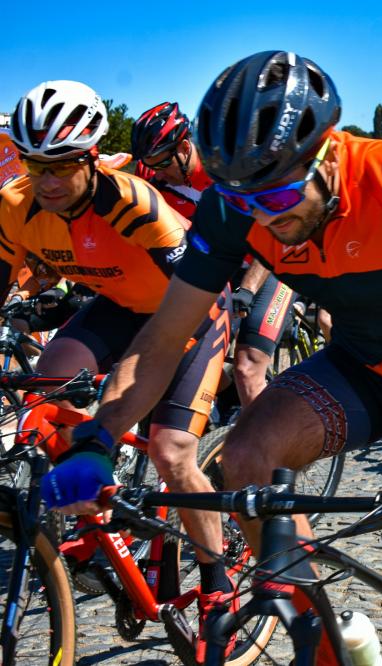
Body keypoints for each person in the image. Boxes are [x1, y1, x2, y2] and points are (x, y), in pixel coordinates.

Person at [42, 51, 382, 666]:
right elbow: (163, 335)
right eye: (246, 200)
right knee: (243, 459)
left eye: (279, 193)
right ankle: (322, 637)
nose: (266, 217)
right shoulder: (234, 206)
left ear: (328, 153)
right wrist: (97, 436)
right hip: (361, 368)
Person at [3, 80, 234, 657]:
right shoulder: (14, 206)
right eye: (36, 165)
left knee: (173, 453)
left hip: (192, 311)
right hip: (117, 306)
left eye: (61, 166)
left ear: (90, 158)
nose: (48, 181)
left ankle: (217, 581)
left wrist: (142, 369)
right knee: (43, 392)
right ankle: (95, 521)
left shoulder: (136, 205)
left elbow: (194, 291)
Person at [131, 101, 296, 406]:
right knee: (179, 352)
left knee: (247, 366)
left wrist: (248, 290)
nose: (159, 173)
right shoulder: (159, 188)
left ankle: (264, 448)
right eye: (150, 165)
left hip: (268, 265)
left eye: (162, 163)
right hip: (221, 271)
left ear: (183, 147)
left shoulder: (228, 172)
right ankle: (227, 409)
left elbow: (270, 235)